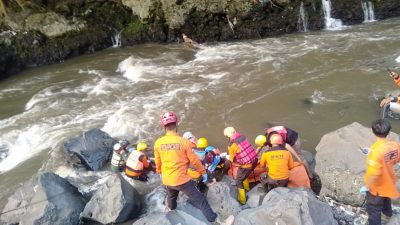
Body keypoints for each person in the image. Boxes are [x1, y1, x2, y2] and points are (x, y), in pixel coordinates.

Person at [154, 112, 217, 222]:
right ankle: (215, 220)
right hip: (182, 180)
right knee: (201, 200)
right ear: (177, 124)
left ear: (164, 127)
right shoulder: (184, 142)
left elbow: (158, 162)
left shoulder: (158, 143)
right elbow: (195, 161)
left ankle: (170, 213)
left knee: (171, 196)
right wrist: (203, 173)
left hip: (168, 179)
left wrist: (160, 173)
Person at [360, 119, 400, 225]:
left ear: (373, 132)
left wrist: (367, 186)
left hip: (376, 188)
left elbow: (374, 174)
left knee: (373, 210)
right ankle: (388, 215)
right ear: (389, 132)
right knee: (386, 200)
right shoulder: (395, 146)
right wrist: (371, 151)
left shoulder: (375, 153)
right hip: (389, 183)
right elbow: (394, 157)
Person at [224, 126, 258, 205]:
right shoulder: (243, 137)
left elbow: (232, 159)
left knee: (238, 180)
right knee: (242, 174)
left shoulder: (231, 145)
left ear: (227, 135)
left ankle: (242, 200)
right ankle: (247, 188)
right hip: (254, 161)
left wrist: (227, 157)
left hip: (247, 165)